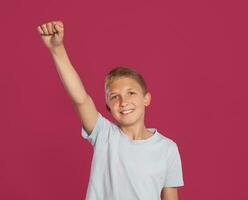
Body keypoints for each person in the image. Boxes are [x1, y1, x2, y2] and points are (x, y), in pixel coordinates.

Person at [37, 20, 184, 200]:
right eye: (115, 96)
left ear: (146, 98)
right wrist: (57, 50)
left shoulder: (167, 149)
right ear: (108, 106)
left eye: (131, 93)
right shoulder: (104, 135)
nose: (124, 101)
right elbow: (80, 98)